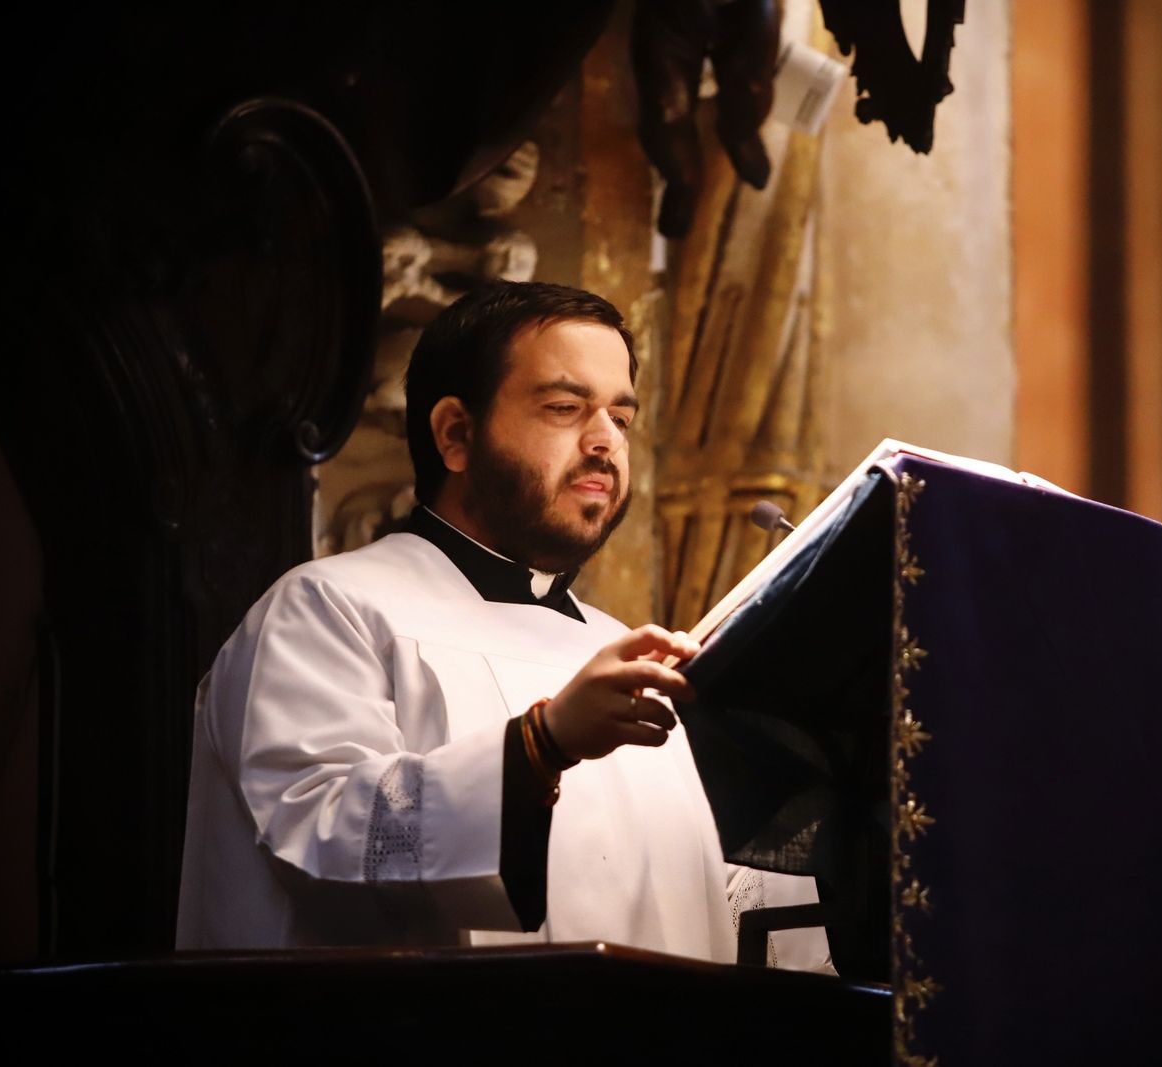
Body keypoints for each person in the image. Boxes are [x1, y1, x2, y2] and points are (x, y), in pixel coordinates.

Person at [177, 281, 827, 969]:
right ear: (457, 434)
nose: (606, 441)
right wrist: (540, 745)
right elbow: (319, 835)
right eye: (565, 408)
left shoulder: (629, 653)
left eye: (621, 417)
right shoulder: (328, 609)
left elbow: (710, 903)